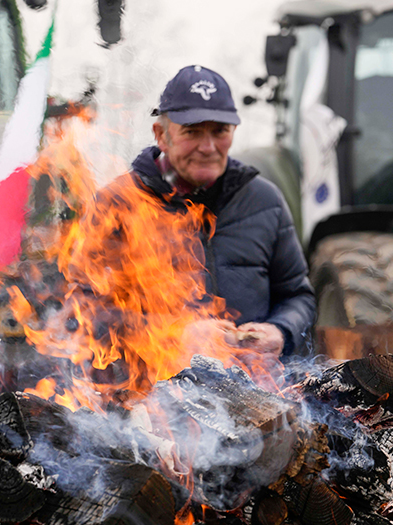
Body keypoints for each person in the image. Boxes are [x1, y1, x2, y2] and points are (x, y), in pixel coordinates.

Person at [129, 65, 316, 367]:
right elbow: (86, 311)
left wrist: (281, 330)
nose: (208, 147)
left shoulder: (265, 200)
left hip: (256, 400)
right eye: (192, 132)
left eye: (220, 131)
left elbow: (298, 297)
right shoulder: (120, 204)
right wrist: (178, 335)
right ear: (161, 135)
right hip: (150, 400)